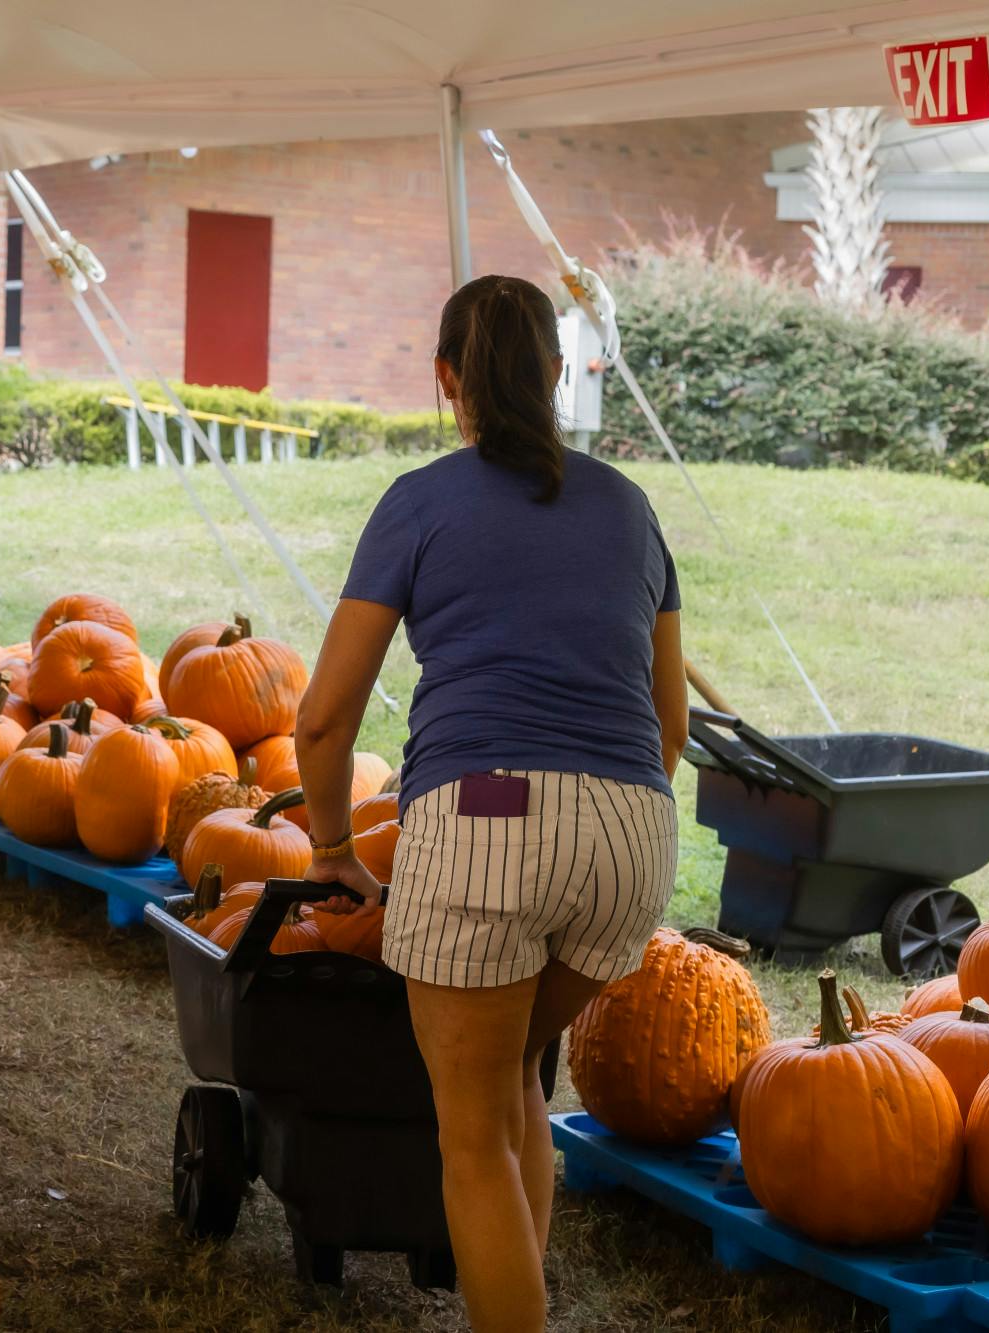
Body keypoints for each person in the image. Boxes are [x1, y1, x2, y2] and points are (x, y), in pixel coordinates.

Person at [295, 274, 688, 1332]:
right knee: (516, 1072)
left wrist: (332, 842)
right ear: (559, 375)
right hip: (630, 835)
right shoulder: (629, 506)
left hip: (481, 819)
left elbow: (324, 719)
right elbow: (671, 727)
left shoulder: (419, 501)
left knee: (467, 1134)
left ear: (444, 381)